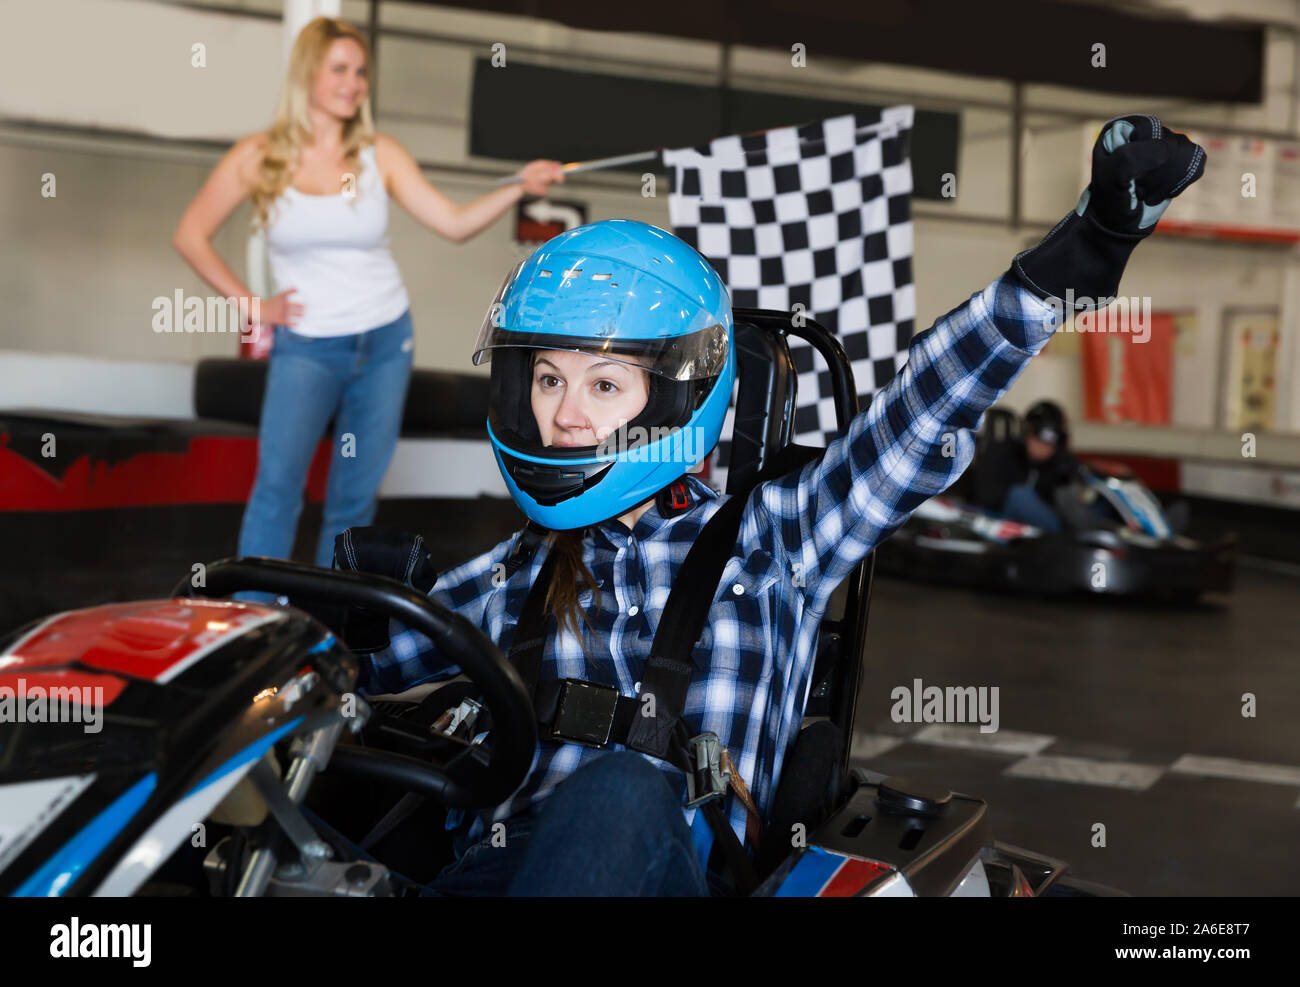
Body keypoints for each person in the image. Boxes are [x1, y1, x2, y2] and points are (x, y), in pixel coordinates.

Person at [354, 115, 1205, 896]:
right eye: (548, 379)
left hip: (674, 867)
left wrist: (1082, 252)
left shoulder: (773, 539)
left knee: (617, 789)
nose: (566, 414)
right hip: (498, 869)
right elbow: (349, 661)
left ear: (678, 396)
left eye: (603, 384)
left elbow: (917, 417)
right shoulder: (518, 567)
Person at [172, 16, 565, 568]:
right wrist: (253, 306)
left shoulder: (381, 154)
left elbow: (453, 224)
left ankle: (336, 623)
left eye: (361, 72)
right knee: (276, 489)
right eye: (340, 69)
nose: (354, 83)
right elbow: (190, 234)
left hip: (384, 341)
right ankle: (256, 616)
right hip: (306, 345)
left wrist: (519, 187)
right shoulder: (259, 157)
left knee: (353, 501)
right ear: (308, 74)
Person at [970, 399, 1081, 532]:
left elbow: (1066, 508)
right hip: (998, 525)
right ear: (1026, 433)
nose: (1042, 448)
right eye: (1038, 440)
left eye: (1050, 444)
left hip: (1042, 534)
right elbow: (985, 499)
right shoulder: (1001, 452)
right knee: (1020, 496)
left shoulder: (1060, 464)